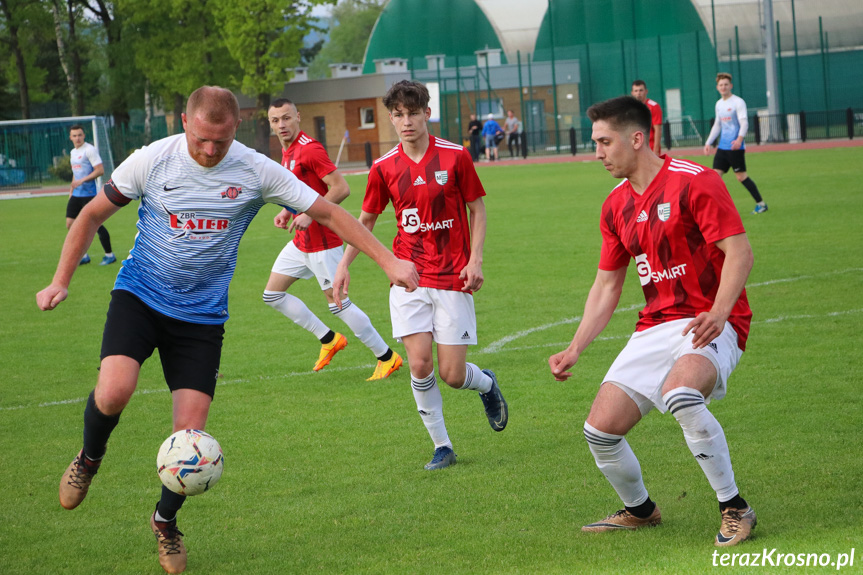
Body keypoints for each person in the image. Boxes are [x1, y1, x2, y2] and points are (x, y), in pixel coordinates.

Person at [37, 86, 418, 574]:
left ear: (235, 128)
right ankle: (89, 459)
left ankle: (164, 523)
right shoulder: (153, 159)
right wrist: (59, 281)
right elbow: (92, 213)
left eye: (220, 140)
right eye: (201, 139)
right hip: (141, 298)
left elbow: (329, 211)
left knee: (190, 441)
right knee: (113, 392)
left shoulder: (255, 168)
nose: (210, 150)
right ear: (184, 122)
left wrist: (386, 260)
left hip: (201, 319)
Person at [549, 95, 756, 547]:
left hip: (711, 321)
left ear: (637, 138)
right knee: (599, 431)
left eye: (605, 142)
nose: (597, 153)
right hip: (654, 327)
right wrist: (576, 347)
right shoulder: (614, 205)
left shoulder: (695, 182)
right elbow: (607, 287)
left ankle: (735, 507)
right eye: (595, 143)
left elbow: (739, 252)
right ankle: (641, 511)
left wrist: (720, 313)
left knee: (681, 394)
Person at [334, 80, 508, 471]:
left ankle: (485, 383)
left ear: (427, 113)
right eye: (398, 114)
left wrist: (475, 260)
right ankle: (442, 446)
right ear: (391, 118)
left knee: (451, 373)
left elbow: (477, 209)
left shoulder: (456, 157)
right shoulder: (383, 167)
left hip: (452, 278)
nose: (406, 121)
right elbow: (366, 221)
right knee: (419, 364)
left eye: (413, 112)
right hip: (407, 275)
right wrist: (344, 264)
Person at [264, 98, 402, 380]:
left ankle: (387, 357)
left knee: (337, 303)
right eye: (275, 120)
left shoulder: (309, 150)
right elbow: (303, 191)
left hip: (323, 242)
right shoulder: (287, 151)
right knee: (272, 295)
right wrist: (288, 211)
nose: (282, 124)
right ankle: (328, 339)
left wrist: (310, 215)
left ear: (298, 117)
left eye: (286, 118)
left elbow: (341, 188)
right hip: (301, 242)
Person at [703, 73, 768, 214]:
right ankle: (717, 208)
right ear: (717, 87)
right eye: (721, 85)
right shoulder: (719, 104)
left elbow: (744, 123)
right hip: (722, 148)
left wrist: (739, 140)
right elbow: (717, 125)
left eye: (726, 84)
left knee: (741, 177)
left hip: (735, 147)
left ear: (730, 86)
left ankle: (761, 204)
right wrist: (708, 142)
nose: (723, 87)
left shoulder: (738, 102)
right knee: (714, 177)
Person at [67, 124, 115, 266]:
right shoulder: (72, 153)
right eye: (74, 136)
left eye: (80, 135)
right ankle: (84, 256)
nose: (77, 138)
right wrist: (71, 192)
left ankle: (109, 255)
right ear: (70, 137)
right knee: (70, 224)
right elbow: (76, 174)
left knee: (96, 225)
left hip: (90, 193)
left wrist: (82, 180)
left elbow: (99, 170)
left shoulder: (89, 150)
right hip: (77, 194)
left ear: (84, 135)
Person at [630, 80, 663, 156]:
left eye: (641, 90)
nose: (638, 93)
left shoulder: (653, 106)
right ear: (632, 93)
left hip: (649, 148)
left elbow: (658, 130)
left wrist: (656, 149)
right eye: (636, 91)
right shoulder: (630, 108)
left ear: (646, 91)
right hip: (634, 148)